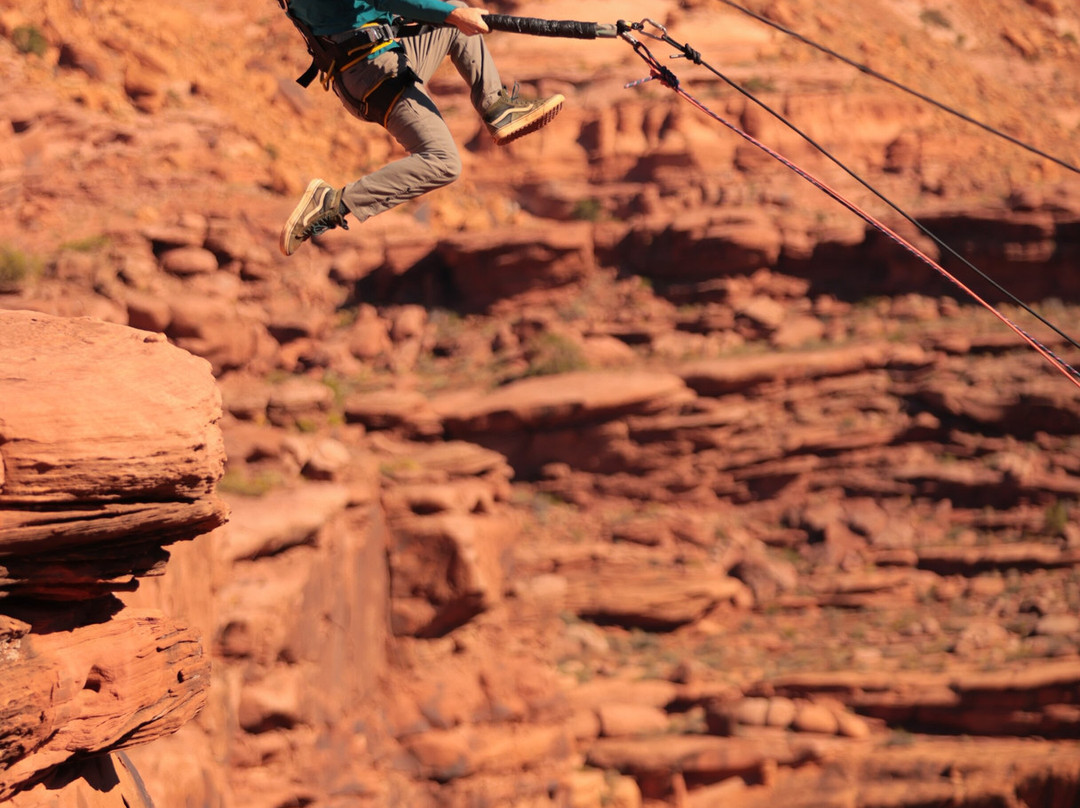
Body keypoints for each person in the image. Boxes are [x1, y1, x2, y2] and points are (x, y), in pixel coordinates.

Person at [278, 0, 565, 256]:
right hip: (376, 72)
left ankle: (498, 108)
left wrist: (452, 15)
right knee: (444, 162)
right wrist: (453, 14)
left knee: (454, 22)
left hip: (367, 66)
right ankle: (333, 204)